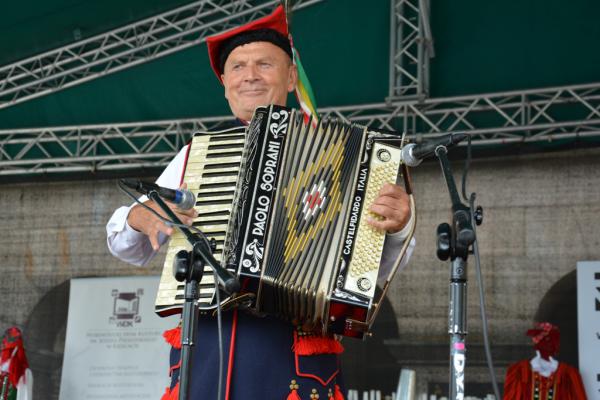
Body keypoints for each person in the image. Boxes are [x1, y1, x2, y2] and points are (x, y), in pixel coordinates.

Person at [106, 5, 414, 399]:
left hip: (290, 361)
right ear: (224, 83)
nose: (249, 75)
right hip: (206, 356)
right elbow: (125, 246)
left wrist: (399, 225)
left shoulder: (343, 157)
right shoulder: (194, 156)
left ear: (290, 78)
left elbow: (378, 267)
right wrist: (137, 216)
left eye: (264, 64)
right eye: (237, 67)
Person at [503, 322, 587, 400]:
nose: (550, 345)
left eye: (552, 341)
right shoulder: (519, 372)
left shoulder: (568, 374)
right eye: (547, 341)